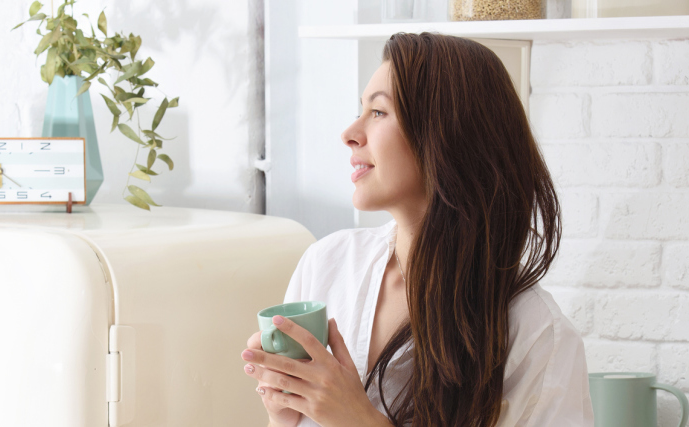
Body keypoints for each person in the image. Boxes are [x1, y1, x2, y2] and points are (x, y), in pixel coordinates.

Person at [239, 32, 594, 427]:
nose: (350, 133)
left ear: (447, 135)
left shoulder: (536, 336)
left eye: (378, 112)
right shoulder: (328, 264)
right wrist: (284, 414)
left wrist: (360, 419)